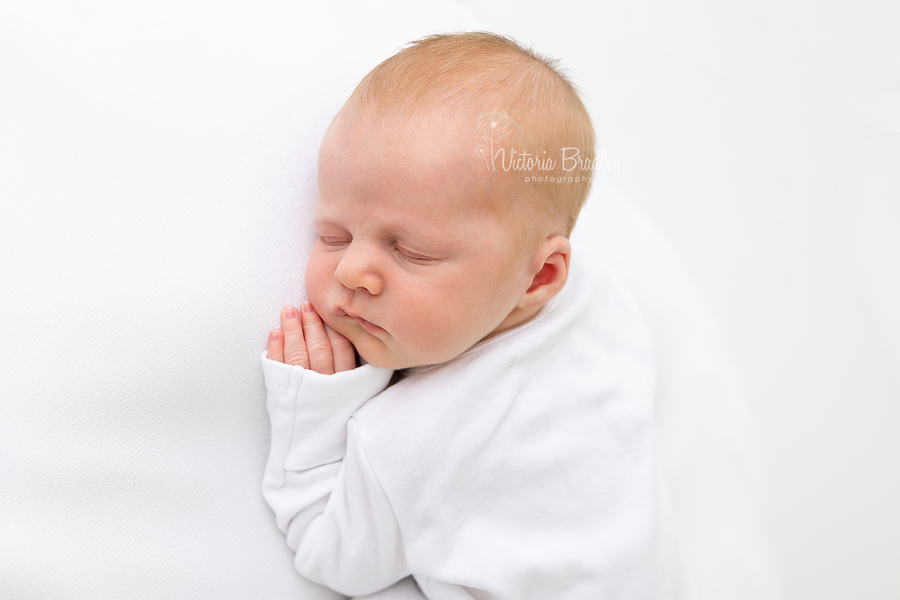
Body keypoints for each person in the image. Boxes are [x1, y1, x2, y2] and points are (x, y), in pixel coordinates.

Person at [260, 32, 656, 599]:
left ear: (540, 277)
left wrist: (315, 417)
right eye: (333, 233)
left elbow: (331, 555)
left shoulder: (415, 444)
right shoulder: (602, 301)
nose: (351, 271)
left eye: (411, 251)